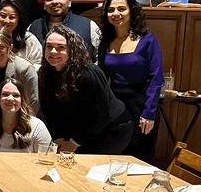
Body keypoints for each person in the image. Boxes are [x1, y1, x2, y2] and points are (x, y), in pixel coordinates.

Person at [39, 24, 132, 154]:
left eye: (61, 47)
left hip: (111, 130)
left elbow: (100, 115)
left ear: (72, 50)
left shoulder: (88, 74)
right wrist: (58, 137)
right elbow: (49, 111)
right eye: (49, 46)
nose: (53, 52)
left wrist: (74, 142)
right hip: (78, 130)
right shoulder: (44, 73)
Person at [98, 0, 165, 162]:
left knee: (138, 154)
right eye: (111, 10)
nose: (116, 13)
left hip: (141, 102)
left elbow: (156, 79)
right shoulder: (106, 41)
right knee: (114, 153)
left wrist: (149, 113)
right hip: (115, 103)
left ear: (131, 12)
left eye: (121, 9)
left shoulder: (148, 39)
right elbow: (102, 76)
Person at [0, 27, 40, 117]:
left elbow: (33, 103)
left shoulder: (25, 68)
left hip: (23, 120)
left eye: (1, 47)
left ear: (10, 48)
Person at [0, 78, 52, 153]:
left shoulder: (37, 126)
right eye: (5, 94)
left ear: (22, 100)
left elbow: (48, 159)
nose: (10, 98)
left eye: (16, 95)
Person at [28, 0, 100, 61]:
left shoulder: (88, 25)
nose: (55, 1)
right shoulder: (33, 27)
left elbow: (99, 57)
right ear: (44, 5)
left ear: (69, 2)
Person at [0, 0, 43, 70]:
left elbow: (39, 64)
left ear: (18, 20)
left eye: (12, 17)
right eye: (3, 16)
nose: (7, 21)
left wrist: (30, 67)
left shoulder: (28, 39)